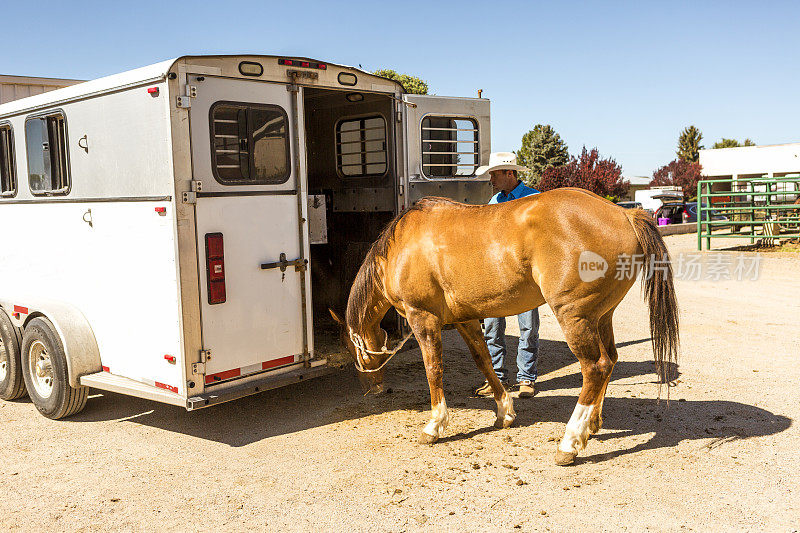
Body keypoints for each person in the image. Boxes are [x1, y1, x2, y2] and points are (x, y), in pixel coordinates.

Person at [473, 152, 541, 398]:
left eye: (494, 174)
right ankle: (497, 379)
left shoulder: (534, 200)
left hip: (525, 275)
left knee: (528, 327)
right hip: (496, 274)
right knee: (492, 328)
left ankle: (526, 379)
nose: (491, 178)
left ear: (509, 173)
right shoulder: (494, 202)